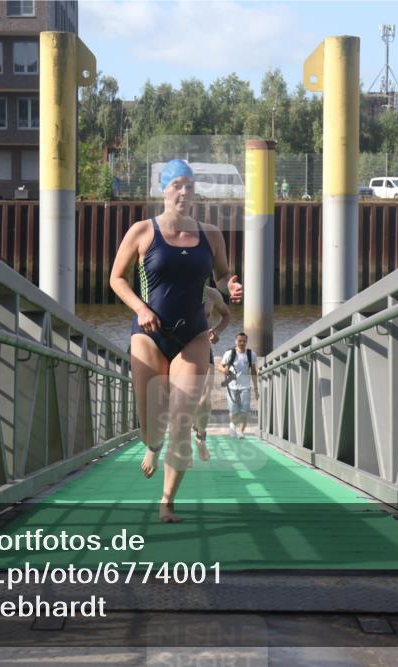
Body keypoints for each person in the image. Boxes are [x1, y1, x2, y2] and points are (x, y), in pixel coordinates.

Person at [109, 159, 243, 523]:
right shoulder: (142, 231)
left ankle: (167, 501)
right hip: (149, 336)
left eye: (190, 187)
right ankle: (152, 445)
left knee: (182, 419)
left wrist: (229, 284)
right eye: (177, 185)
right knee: (151, 419)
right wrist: (139, 308)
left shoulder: (211, 234)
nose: (184, 193)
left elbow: (223, 274)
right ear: (163, 190)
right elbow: (116, 279)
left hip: (194, 335)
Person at [192, 285, 231, 460]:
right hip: (178, 348)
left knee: (205, 399)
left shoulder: (212, 294)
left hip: (203, 347)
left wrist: (216, 331)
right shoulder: (174, 286)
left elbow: (226, 315)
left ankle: (201, 437)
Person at [218, 332, 259, 438]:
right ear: (236, 341)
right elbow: (220, 366)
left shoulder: (251, 354)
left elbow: (253, 372)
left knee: (245, 411)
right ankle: (232, 426)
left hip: (245, 387)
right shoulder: (229, 353)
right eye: (240, 341)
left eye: (244, 341)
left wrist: (256, 388)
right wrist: (224, 371)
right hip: (231, 386)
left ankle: (241, 431)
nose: (242, 343)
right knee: (233, 410)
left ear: (246, 342)